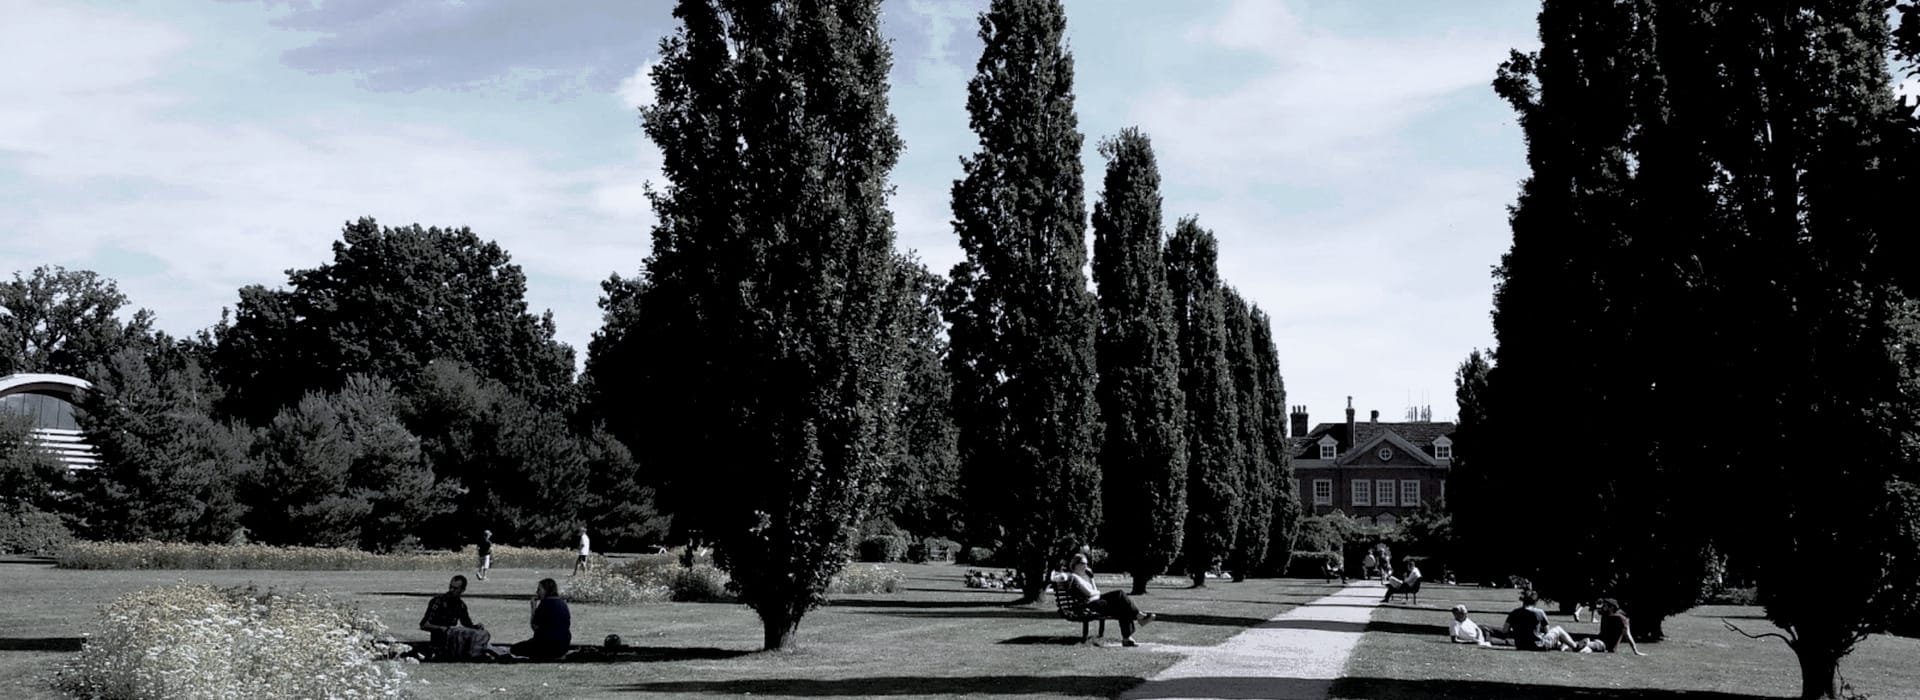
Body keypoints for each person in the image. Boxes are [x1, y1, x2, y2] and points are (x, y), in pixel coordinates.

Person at [1048, 552, 1156, 647]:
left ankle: (1129, 636)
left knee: (1121, 600)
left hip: (1096, 601)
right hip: (1090, 605)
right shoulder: (1073, 577)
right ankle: (1138, 619)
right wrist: (1058, 575)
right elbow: (1089, 593)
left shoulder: (1083, 578)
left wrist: (1091, 579)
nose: (1085, 566)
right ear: (1075, 564)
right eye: (1082, 563)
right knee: (1121, 599)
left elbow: (1094, 590)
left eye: (1086, 564)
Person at [419, 575, 489, 660]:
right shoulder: (438, 602)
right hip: (438, 643)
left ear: (462, 590)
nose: (451, 590)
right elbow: (424, 625)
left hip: (453, 642)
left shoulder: (461, 605)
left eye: (455, 588)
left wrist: (476, 627)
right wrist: (442, 628)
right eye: (450, 587)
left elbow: (467, 624)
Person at [1503, 589, 1586, 652]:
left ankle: (1562, 645)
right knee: (1558, 629)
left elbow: (1505, 630)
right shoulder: (1539, 612)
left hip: (1520, 645)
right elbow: (1547, 630)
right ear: (1535, 601)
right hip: (1537, 645)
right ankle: (1575, 646)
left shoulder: (1514, 613)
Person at [510, 578, 572, 661]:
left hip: (546, 645)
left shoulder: (545, 603)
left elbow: (535, 627)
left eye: (539, 590)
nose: (537, 592)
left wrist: (533, 608)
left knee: (515, 649)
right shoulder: (562, 603)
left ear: (546, 590)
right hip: (563, 645)